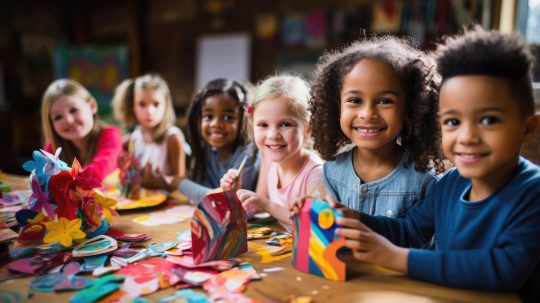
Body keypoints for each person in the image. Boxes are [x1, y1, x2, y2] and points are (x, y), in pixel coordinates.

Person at [333, 26, 540, 302]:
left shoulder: (533, 193)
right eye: (453, 122)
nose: (467, 137)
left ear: (528, 128)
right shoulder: (452, 183)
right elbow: (408, 229)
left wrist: (396, 258)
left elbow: (502, 268)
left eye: (489, 120)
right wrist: (351, 218)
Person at [292, 36, 446, 218]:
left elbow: (417, 237)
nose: (367, 113)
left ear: (410, 107)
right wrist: (311, 215)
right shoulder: (332, 171)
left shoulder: (425, 179)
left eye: (384, 101)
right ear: (337, 107)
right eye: (355, 100)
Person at [221, 75, 325, 229]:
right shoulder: (268, 157)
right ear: (252, 124)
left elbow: (317, 226)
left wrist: (268, 206)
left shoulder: (316, 174)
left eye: (285, 124)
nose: (272, 135)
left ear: (308, 129)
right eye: (263, 125)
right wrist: (235, 194)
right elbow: (256, 206)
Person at [178, 79, 260, 204]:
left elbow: (225, 201)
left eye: (228, 117)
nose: (216, 124)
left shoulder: (248, 156)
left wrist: (179, 183)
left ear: (243, 120)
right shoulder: (209, 152)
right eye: (209, 116)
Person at [112, 73, 190, 190]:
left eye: (156, 104)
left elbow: (181, 184)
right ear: (132, 106)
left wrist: (158, 182)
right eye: (142, 104)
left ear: (166, 105)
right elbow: (132, 176)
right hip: (141, 201)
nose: (150, 111)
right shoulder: (135, 137)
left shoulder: (173, 138)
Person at [42, 79, 123, 182]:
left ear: (92, 106)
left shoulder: (111, 135)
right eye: (58, 117)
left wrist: (64, 181)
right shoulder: (53, 147)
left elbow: (99, 170)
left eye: (73, 110)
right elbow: (44, 179)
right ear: (51, 124)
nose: (69, 120)